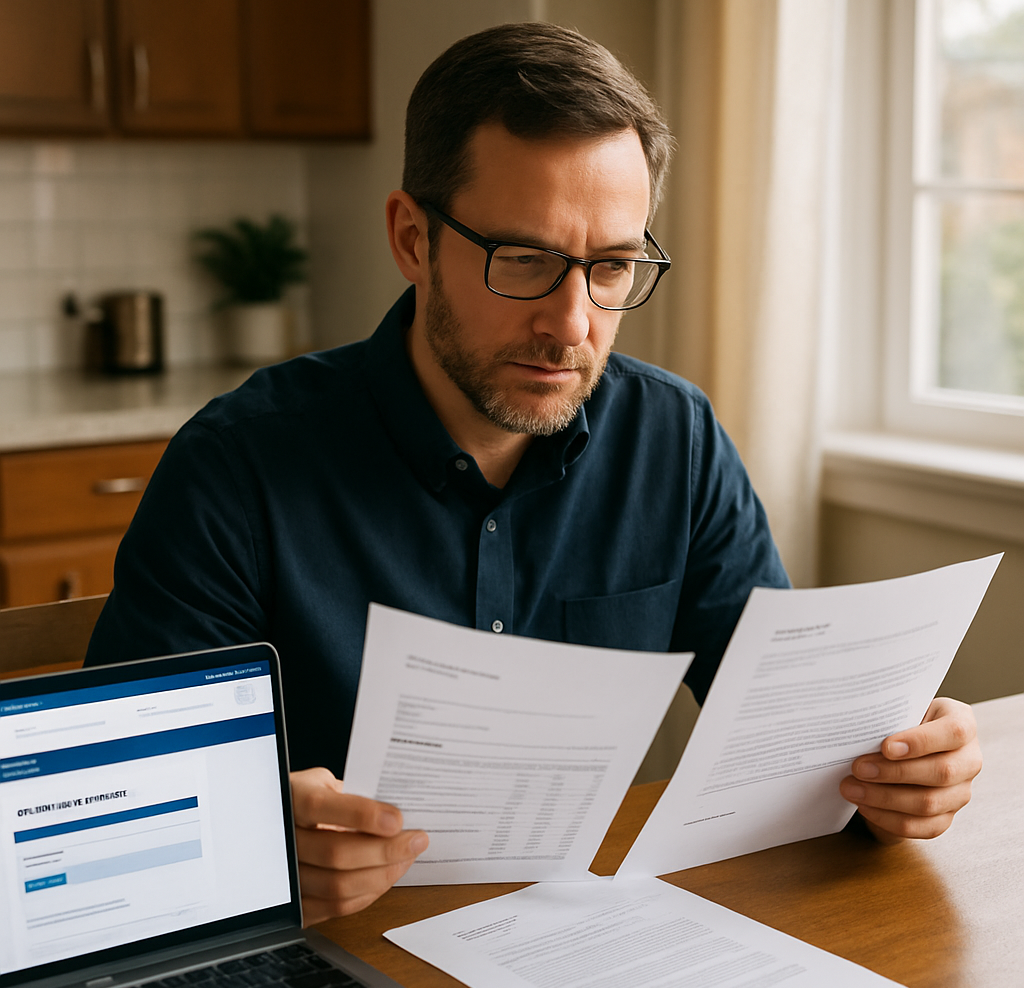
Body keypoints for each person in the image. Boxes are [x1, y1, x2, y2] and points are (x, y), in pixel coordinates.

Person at [85, 23, 982, 924]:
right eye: (524, 260)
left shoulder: (675, 440)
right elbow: (117, 804)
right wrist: (253, 837)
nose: (572, 324)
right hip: (336, 951)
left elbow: (785, 742)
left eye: (612, 267)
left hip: (588, 941)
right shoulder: (236, 465)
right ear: (412, 239)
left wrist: (896, 774)